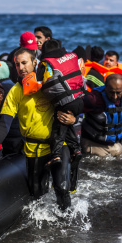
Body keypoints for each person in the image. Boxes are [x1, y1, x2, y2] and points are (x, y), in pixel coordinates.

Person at [0, 47, 75, 210]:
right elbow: (4, 124)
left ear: (35, 62)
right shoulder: (16, 91)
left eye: (24, 63)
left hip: (58, 146)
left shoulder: (50, 84)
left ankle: (68, 227)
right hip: (33, 150)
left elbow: (73, 105)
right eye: (17, 64)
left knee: (62, 188)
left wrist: (73, 118)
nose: (21, 67)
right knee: (37, 195)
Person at [36, 39, 84, 169]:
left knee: (58, 129)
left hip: (65, 102)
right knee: (66, 125)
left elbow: (38, 79)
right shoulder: (71, 57)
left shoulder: (47, 63)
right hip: (80, 100)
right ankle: (76, 150)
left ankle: (56, 155)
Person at [81, 73, 122, 157]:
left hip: (116, 146)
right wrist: (72, 119)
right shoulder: (94, 99)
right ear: (105, 87)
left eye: (118, 93)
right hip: (94, 145)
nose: (114, 97)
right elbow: (74, 106)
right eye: (111, 92)